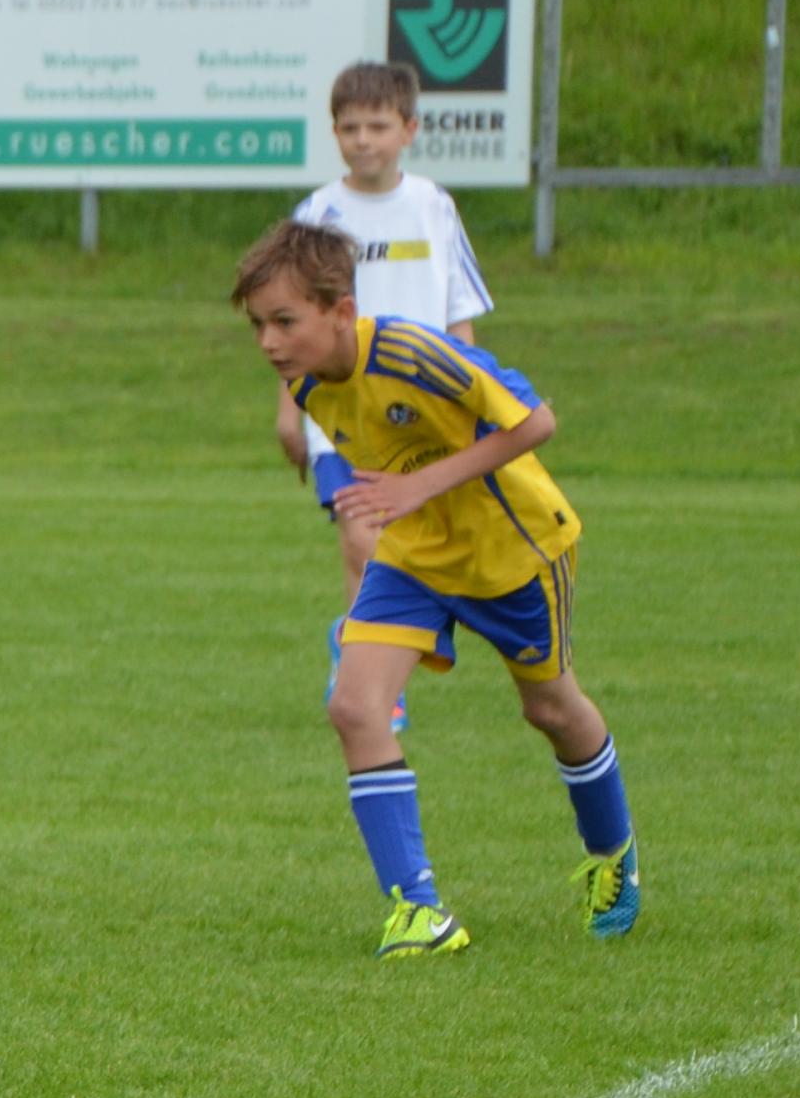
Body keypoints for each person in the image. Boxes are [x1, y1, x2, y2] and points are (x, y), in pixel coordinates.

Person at [234, 220, 636, 959]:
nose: (268, 342)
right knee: (354, 707)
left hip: (512, 552)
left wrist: (419, 485)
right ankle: (418, 912)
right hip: (415, 557)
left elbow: (536, 421)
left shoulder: (413, 353)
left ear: (341, 310)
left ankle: (613, 855)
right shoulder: (308, 384)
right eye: (257, 324)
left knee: (550, 709)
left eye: (284, 321)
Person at [277, 61, 500, 731]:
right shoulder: (318, 214)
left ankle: (358, 640)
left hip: (422, 414)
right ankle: (373, 685)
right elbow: (290, 323)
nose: (363, 140)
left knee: (416, 551)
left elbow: (459, 312)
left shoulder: (434, 206)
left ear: (409, 129)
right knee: (361, 538)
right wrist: (289, 410)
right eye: (350, 128)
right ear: (334, 133)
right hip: (340, 412)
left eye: (377, 126)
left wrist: (475, 400)